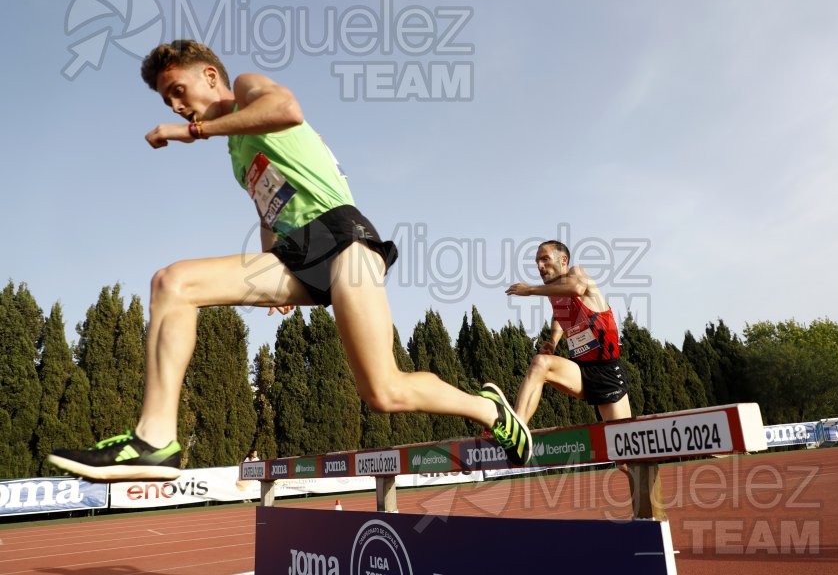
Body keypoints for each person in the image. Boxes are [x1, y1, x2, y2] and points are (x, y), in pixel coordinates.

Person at [48, 39, 531, 482]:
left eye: (178, 89)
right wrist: (269, 270)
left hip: (345, 241)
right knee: (172, 282)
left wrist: (193, 129)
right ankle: (155, 440)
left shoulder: (245, 88)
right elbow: (269, 209)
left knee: (384, 392)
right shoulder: (237, 151)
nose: (175, 105)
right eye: (166, 100)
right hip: (292, 255)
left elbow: (288, 109)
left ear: (211, 75)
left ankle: (488, 410)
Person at [505, 240, 631, 429]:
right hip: (580, 370)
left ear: (563, 260)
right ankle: (516, 429)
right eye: (537, 262)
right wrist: (553, 341)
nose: (540, 266)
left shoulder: (577, 273)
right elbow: (560, 314)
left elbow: (576, 289)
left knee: (622, 448)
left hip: (606, 371)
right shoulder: (553, 293)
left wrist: (530, 290)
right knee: (540, 362)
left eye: (545, 259)